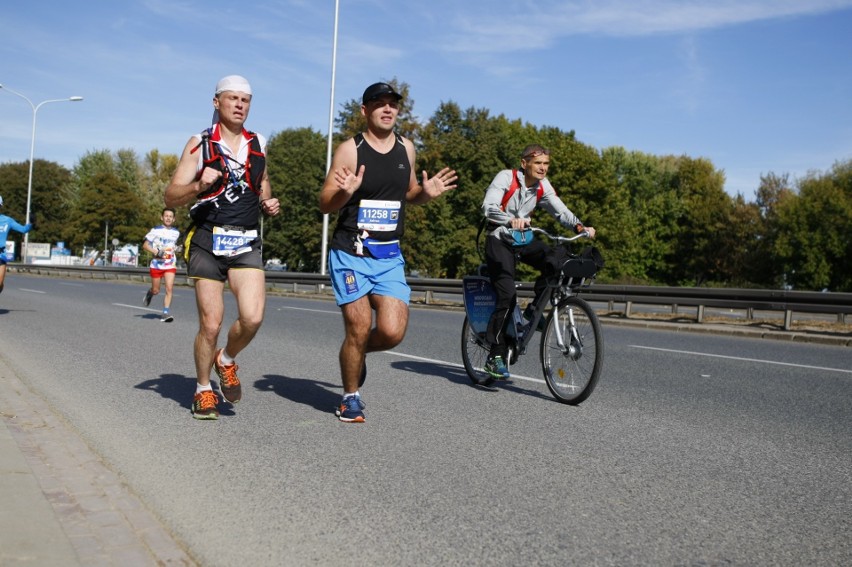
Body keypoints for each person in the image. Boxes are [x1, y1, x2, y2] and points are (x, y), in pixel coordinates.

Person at [319, 82, 457, 423]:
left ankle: (355, 353)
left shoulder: (406, 149)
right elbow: (325, 204)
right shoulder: (351, 150)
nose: (387, 109)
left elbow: (408, 193)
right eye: (379, 103)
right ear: (365, 111)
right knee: (359, 324)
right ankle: (350, 398)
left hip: (388, 256)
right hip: (350, 253)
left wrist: (425, 193)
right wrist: (344, 194)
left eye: (393, 104)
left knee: (393, 331)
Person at [164, 75, 281, 420]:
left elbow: (262, 180)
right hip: (206, 240)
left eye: (245, 100)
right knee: (211, 324)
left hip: (245, 238)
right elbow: (170, 196)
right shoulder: (199, 144)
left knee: (253, 316)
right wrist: (199, 183)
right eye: (233, 99)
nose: (240, 105)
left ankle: (225, 359)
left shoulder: (259, 141)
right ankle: (203, 389)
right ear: (217, 102)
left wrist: (267, 201)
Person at [481, 144, 596, 380]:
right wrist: (510, 219)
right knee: (506, 294)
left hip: (523, 239)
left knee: (556, 262)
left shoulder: (543, 187)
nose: (543, 168)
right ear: (525, 164)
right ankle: (495, 355)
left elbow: (560, 210)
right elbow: (488, 208)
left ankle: (534, 310)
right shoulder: (506, 177)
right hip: (499, 239)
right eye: (538, 164)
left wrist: (579, 226)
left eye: (546, 164)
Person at [142, 207, 181, 322]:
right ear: (162, 217)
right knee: (156, 290)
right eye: (166, 216)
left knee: (169, 288)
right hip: (157, 265)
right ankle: (150, 293)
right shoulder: (155, 230)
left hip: (170, 264)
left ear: (174, 219)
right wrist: (156, 252)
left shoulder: (176, 233)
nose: (168, 218)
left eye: (170, 216)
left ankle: (165, 313)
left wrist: (177, 249)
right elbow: (145, 245)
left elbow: (173, 246)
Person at [0, 195, 33, 295]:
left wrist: (32, 223)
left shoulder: (7, 220)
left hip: (0, 255)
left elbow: (23, 229)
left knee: (0, 284)